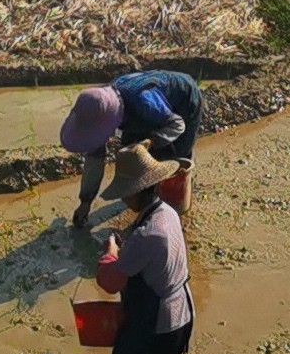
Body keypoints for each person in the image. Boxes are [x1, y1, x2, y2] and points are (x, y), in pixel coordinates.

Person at [93, 143, 195, 354]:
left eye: (126, 193)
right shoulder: (168, 213)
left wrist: (111, 249)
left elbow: (109, 280)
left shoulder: (147, 234)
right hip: (180, 314)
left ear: (137, 192)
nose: (123, 199)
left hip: (152, 324)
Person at [62, 68, 204, 234]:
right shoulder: (98, 107)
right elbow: (94, 159)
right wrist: (85, 202)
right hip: (140, 112)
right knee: (130, 158)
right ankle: (142, 199)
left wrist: (151, 141)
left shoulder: (143, 100)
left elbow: (177, 125)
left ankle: (173, 215)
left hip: (183, 102)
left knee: (173, 157)